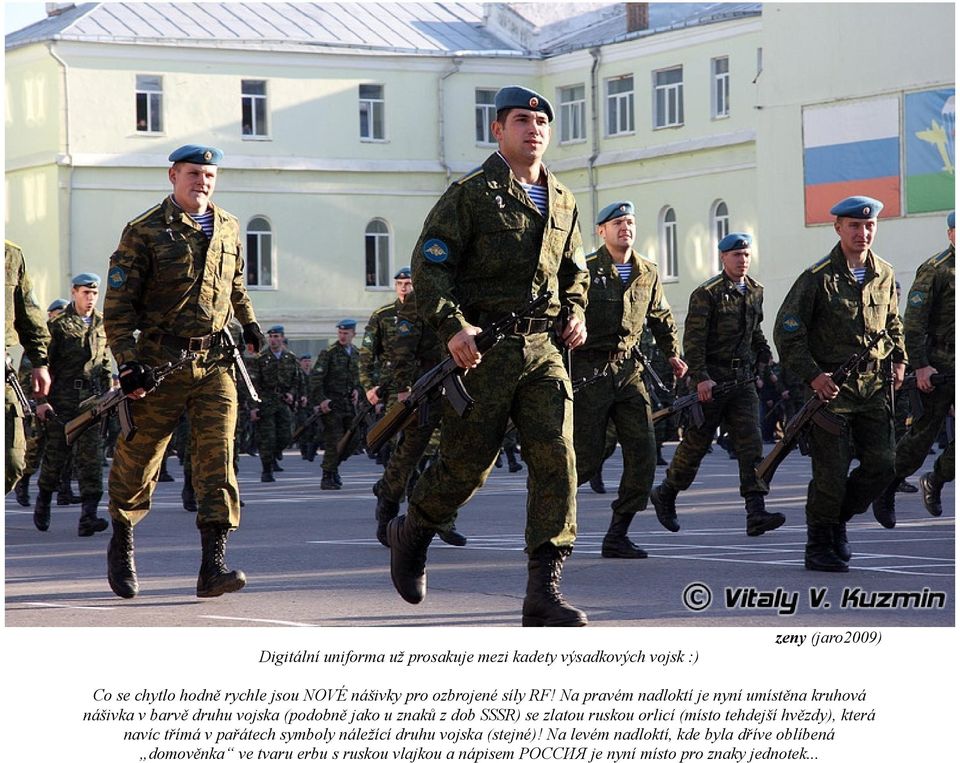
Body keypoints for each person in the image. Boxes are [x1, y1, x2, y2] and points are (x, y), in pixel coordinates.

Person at [387, 86, 590, 627]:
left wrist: (576, 310)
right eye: (522, 119)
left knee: (556, 456)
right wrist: (453, 326)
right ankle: (415, 529)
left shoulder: (564, 199)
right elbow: (431, 266)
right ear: (498, 130)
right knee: (466, 466)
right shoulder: (472, 194)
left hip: (544, 350)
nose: (535, 128)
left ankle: (543, 592)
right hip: (485, 353)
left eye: (542, 120)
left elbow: (575, 272)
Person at [103, 144, 263, 599]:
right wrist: (127, 361)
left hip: (215, 363)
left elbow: (235, 285)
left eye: (209, 175)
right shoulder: (144, 231)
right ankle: (122, 536)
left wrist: (248, 321)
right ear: (173, 175)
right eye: (194, 173)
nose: (203, 182)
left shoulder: (229, 226)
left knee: (218, 460)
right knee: (140, 457)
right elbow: (118, 306)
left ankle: (213, 565)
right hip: (159, 364)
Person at [774, 196, 905, 572]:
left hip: (874, 390)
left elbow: (893, 324)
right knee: (829, 474)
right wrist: (814, 375)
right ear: (838, 228)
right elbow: (787, 332)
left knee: (883, 464)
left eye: (869, 226)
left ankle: (836, 522)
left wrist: (899, 360)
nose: (863, 233)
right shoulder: (817, 278)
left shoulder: (885, 273)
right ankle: (819, 544)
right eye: (854, 226)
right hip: (829, 391)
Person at [572, 201, 686, 558]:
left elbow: (661, 316)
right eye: (618, 222)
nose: (626, 228)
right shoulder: (585, 270)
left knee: (643, 453)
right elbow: (566, 311)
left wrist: (673, 353)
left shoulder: (647, 271)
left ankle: (618, 533)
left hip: (629, 373)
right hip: (589, 372)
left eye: (630, 222)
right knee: (586, 456)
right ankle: (551, 520)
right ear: (601, 231)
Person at [652, 233, 784, 537]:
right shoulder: (706, 293)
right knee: (696, 446)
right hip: (712, 381)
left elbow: (754, 330)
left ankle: (756, 512)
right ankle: (667, 492)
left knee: (751, 445)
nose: (743, 260)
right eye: (736, 255)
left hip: (742, 383)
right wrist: (700, 378)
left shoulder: (755, 291)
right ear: (723, 258)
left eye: (746, 254)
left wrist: (764, 356)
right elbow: (694, 341)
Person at [873, 211, 954, 522]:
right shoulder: (936, 270)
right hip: (937, 366)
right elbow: (914, 324)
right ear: (950, 234)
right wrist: (920, 366)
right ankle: (887, 486)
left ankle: (936, 479)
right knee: (921, 439)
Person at [372, 290, 467, 547]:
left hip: (461, 379)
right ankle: (387, 506)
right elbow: (403, 349)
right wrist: (404, 387)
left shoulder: (469, 288)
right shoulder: (421, 296)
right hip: (427, 382)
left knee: (455, 454)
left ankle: (444, 518)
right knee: (410, 452)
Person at [33, 273, 113, 536]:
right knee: (56, 457)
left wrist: (109, 392)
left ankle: (88, 516)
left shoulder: (102, 324)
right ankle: (43, 500)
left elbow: (103, 363)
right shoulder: (59, 325)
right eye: (85, 293)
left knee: (91, 459)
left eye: (94, 294)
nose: (90, 298)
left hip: (91, 401)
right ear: (74, 292)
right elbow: (42, 364)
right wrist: (42, 401)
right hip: (63, 400)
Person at [5, 240, 51, 495]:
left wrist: (40, 362)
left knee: (11, 462)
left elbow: (28, 313)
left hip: (3, 374)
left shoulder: (10, 255)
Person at [250, 325, 305, 482]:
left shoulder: (290, 358)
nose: (273, 340)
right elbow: (253, 384)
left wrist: (292, 394)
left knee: (286, 435)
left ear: (282, 338)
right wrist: (254, 407)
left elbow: (297, 380)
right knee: (267, 437)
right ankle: (267, 470)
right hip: (265, 402)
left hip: (282, 402)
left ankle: (275, 454)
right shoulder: (261, 358)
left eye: (276, 336)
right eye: (271, 337)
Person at [311, 318, 361, 490]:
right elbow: (316, 378)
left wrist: (357, 390)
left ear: (353, 334)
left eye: (346, 333)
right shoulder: (329, 353)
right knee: (334, 440)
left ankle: (333, 468)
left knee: (354, 440)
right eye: (340, 333)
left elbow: (358, 378)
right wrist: (321, 400)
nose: (342, 336)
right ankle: (327, 476)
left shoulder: (356, 353)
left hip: (348, 405)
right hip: (332, 404)